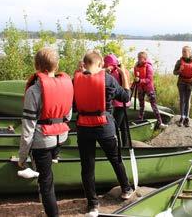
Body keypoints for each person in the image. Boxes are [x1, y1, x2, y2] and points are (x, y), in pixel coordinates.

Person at [73, 50, 133, 217]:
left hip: (84, 127)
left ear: (83, 64)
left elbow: (74, 106)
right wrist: (124, 75)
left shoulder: (75, 80)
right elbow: (126, 97)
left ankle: (93, 205)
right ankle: (126, 189)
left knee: (87, 167)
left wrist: (77, 73)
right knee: (115, 159)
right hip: (104, 126)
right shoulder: (108, 79)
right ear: (100, 64)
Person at [18, 47, 74, 217]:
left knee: (46, 183)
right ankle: (55, 157)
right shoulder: (66, 85)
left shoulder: (33, 91)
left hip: (42, 141)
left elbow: (28, 127)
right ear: (56, 66)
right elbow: (68, 115)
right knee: (47, 176)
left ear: (37, 65)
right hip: (60, 139)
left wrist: (22, 157)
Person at [133, 51, 167, 129]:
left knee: (153, 105)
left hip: (149, 89)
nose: (138, 59)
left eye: (140, 58)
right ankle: (140, 121)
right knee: (141, 106)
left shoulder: (149, 66)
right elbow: (136, 78)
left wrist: (140, 81)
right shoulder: (136, 67)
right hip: (140, 88)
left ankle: (160, 123)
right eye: (138, 57)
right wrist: (133, 85)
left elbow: (149, 79)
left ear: (145, 58)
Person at [103, 53, 131, 146]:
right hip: (125, 103)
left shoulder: (114, 73)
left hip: (119, 104)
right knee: (124, 127)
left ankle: (116, 146)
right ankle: (125, 145)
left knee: (115, 127)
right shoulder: (124, 70)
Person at [173, 46, 192, 127]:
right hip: (181, 82)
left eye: (185, 51)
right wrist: (179, 70)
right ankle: (182, 117)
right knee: (182, 100)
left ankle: (187, 118)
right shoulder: (179, 62)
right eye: (183, 51)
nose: (183, 53)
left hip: (190, 83)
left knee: (188, 100)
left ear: (190, 53)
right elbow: (174, 72)